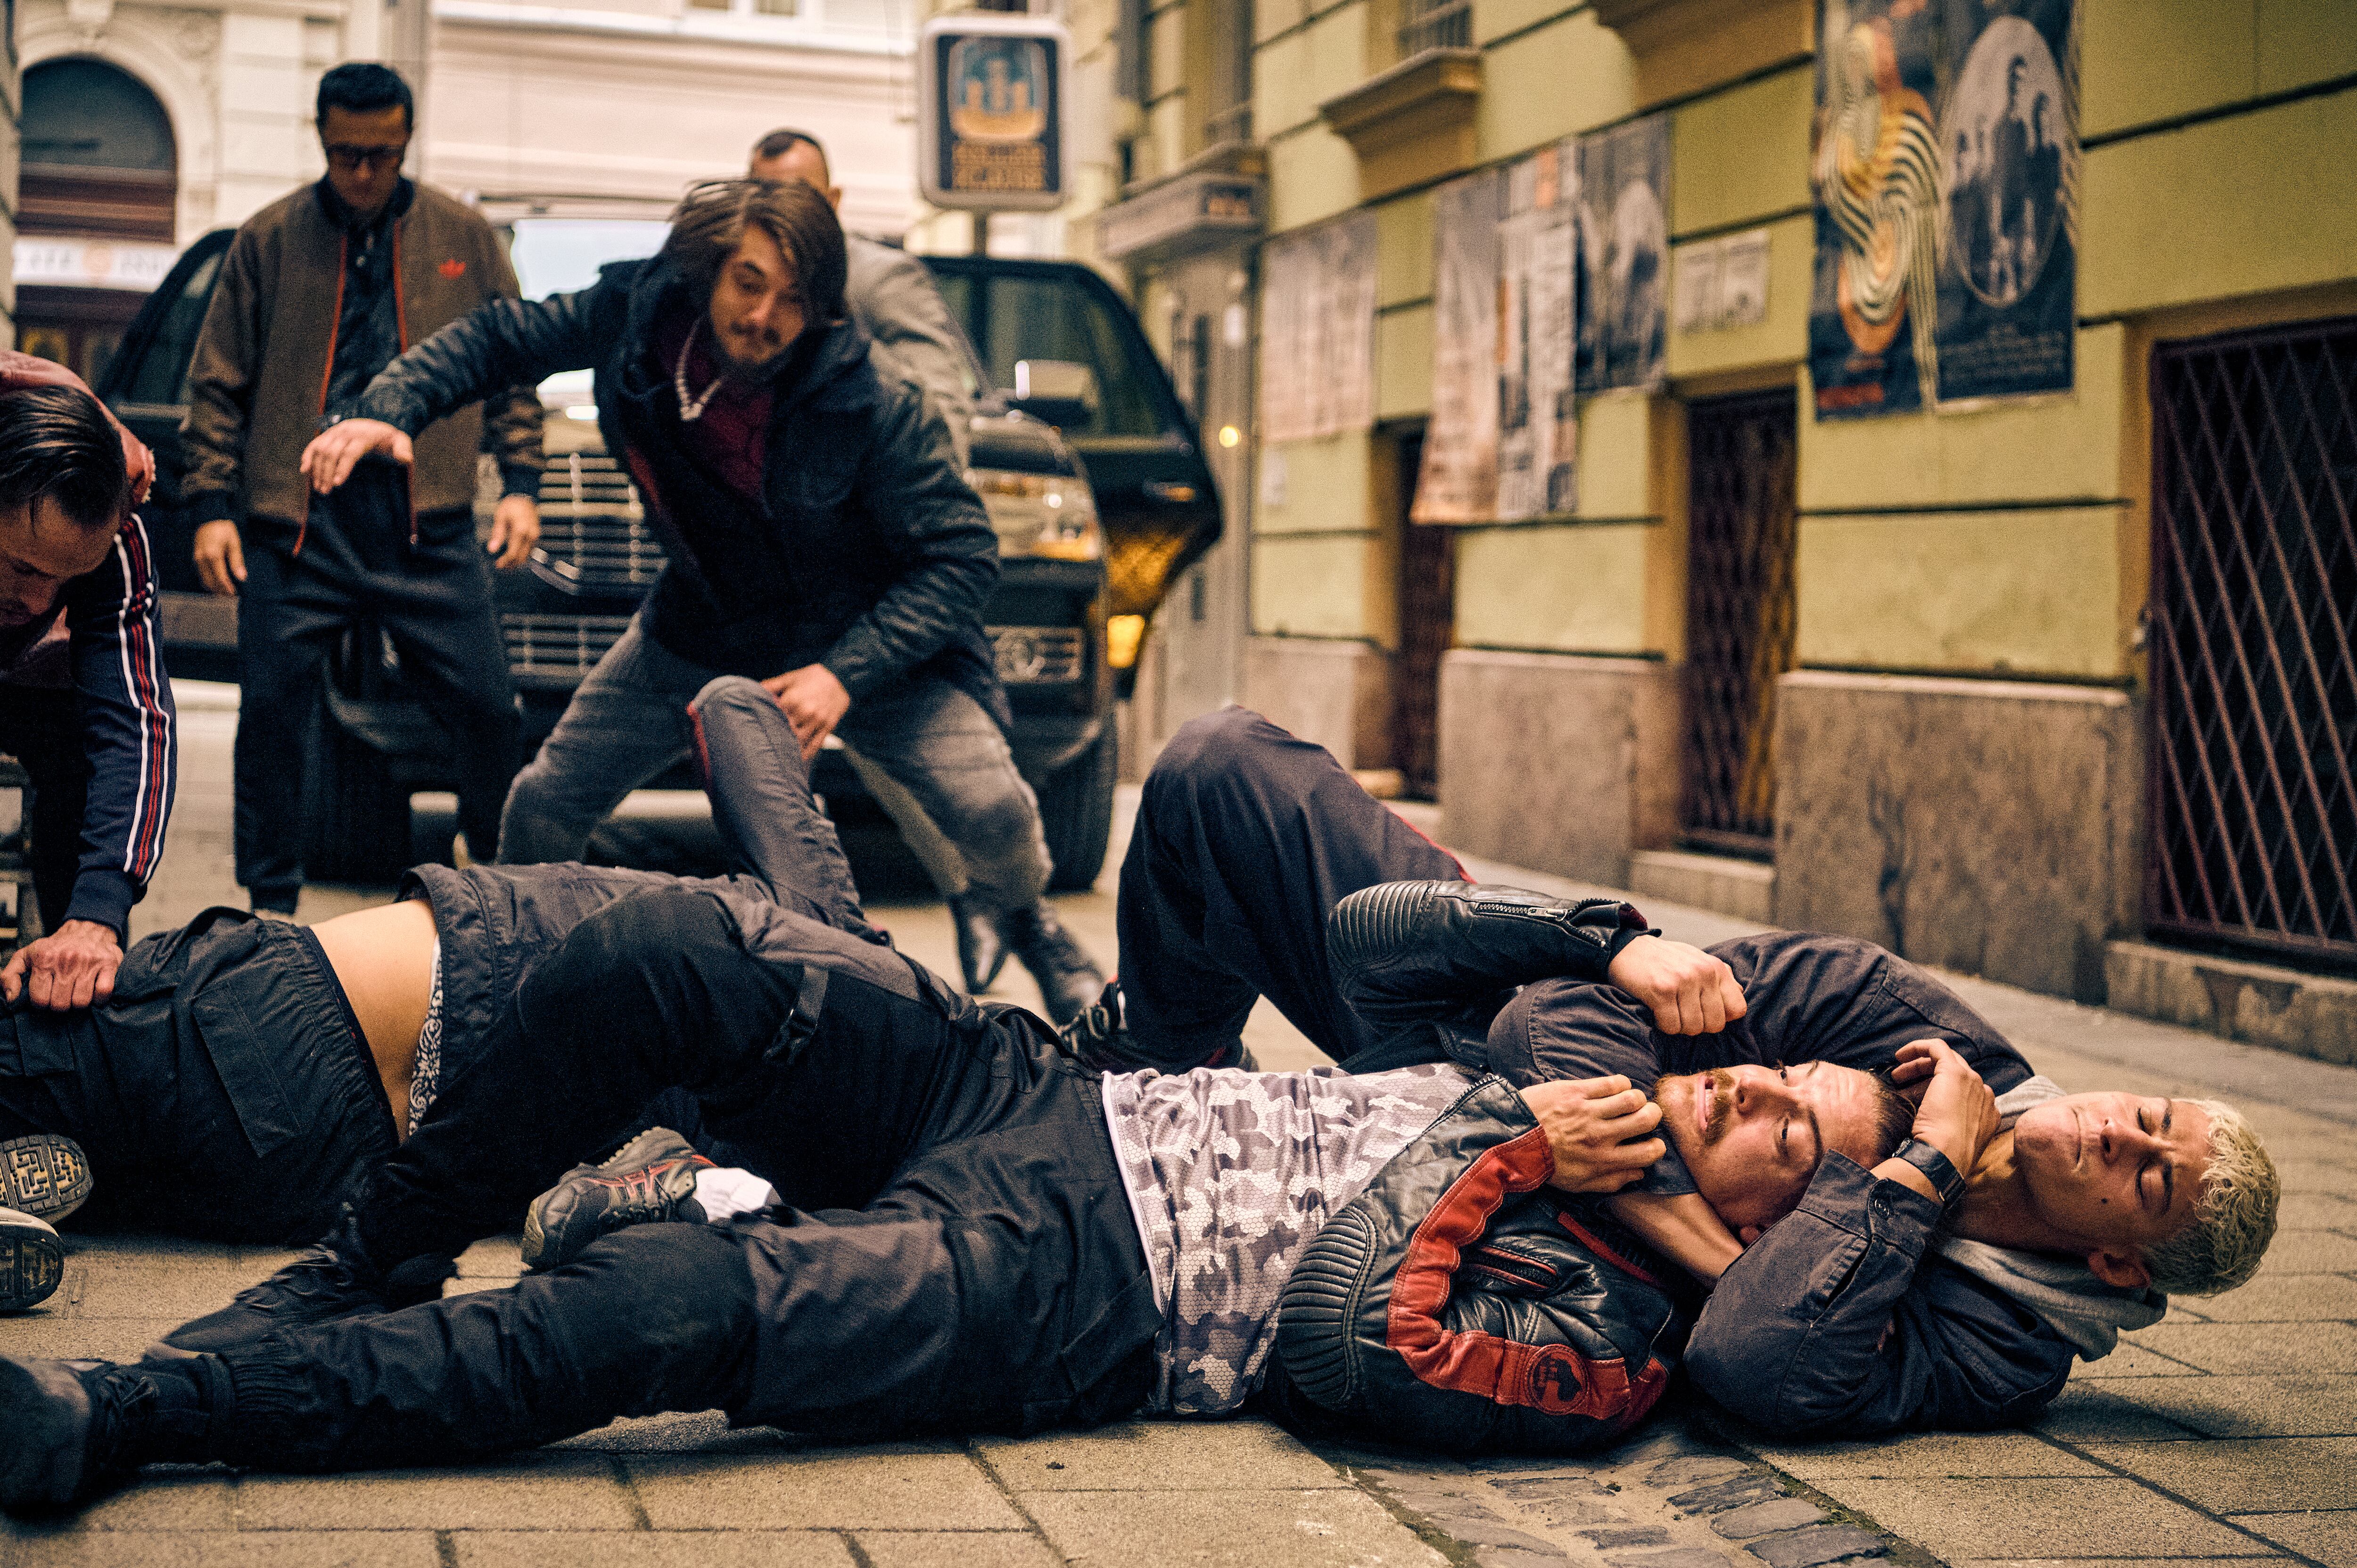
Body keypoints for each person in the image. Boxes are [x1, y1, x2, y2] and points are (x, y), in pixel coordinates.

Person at [0, 688, 1912, 1501]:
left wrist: (1499, 1156)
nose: (1742, 1087)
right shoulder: (1588, 1074)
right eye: (1764, 1067)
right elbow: (1378, 932)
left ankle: (144, 1409)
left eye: (1783, 1123)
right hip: (1032, 1086)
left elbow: (1364, 1346)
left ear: (1779, 1222)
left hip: (1068, 1284)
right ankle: (372, 1256)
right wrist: (1601, 935)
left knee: (648, 1313)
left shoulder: (1609, 1329)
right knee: (656, 950)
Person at [301, 176, 1104, 1026]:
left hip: (862, 640)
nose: (762, 316)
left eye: (792, 300)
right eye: (748, 284)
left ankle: (1026, 919)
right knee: (540, 807)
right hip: (704, 626)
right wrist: (391, 407)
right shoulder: (635, 316)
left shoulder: (872, 403)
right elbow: (504, 337)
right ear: (710, 269)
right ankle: (520, 991)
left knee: (994, 813)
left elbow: (963, 557)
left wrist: (842, 675)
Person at [183, 62, 541, 915]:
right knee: (271, 714)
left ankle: (494, 879)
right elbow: (217, 383)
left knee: (489, 709)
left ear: (407, 141)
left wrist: (522, 483)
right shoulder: (269, 238)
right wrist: (210, 508)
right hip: (301, 521)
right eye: (347, 154)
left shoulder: (465, 235)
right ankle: (269, 906)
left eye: (383, 155)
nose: (365, 172)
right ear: (322, 139)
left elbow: (513, 364)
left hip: (426, 518)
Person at [746, 128, 1084, 1006]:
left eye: (799, 195)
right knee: (859, 755)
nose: (782, 213)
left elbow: (942, 400)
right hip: (782, 572)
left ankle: (1011, 908)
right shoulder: (743, 289)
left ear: (833, 202)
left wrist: (868, 453)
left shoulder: (879, 278)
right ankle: (949, 905)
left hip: (890, 551)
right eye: (764, 192)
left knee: (954, 769)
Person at [0, 366, 173, 1011]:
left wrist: (98, 915)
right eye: (23, 567)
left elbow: (135, 721)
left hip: (38, 689)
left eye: (66, 578)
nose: (40, 601)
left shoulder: (118, 533)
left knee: (82, 759)